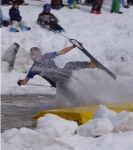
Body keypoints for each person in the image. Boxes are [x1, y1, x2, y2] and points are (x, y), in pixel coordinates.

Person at [17, 44, 97, 88]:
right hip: (58, 84)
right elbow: (25, 80)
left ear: (40, 53)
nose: (35, 55)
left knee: (69, 65)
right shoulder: (34, 69)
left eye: (37, 53)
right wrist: (21, 82)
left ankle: (90, 65)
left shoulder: (47, 56)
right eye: (33, 54)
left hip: (64, 75)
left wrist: (73, 46)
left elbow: (62, 51)